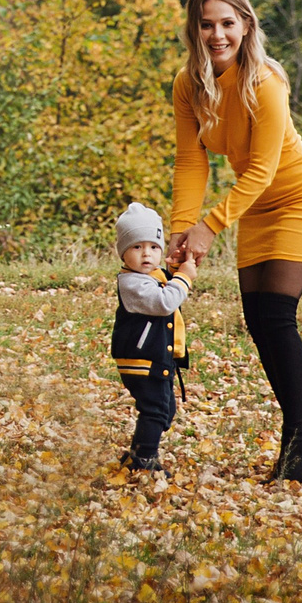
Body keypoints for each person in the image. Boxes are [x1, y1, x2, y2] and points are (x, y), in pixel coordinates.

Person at [166, 0, 302, 482]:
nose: (217, 34)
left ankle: (298, 445)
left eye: (227, 22)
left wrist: (209, 228)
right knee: (258, 319)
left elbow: (263, 168)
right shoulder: (188, 84)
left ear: (246, 25)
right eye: (207, 24)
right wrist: (182, 227)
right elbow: (189, 160)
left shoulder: (265, 80)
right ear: (194, 29)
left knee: (276, 315)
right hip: (257, 205)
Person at [110, 201, 192, 473]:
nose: (146, 254)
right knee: (155, 409)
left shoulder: (151, 275)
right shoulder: (132, 283)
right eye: (137, 247)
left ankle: (136, 452)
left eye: (154, 247)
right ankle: (145, 460)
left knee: (164, 410)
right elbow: (164, 301)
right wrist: (185, 279)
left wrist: (175, 267)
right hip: (141, 360)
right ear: (123, 253)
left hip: (156, 358)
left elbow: (163, 280)